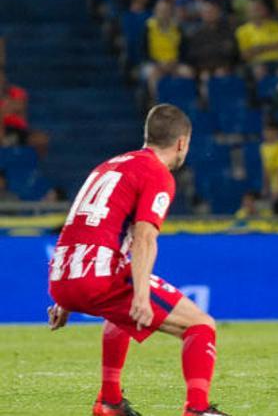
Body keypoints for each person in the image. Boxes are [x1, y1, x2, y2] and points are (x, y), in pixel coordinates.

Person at [46, 104, 231, 416]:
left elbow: (82, 225)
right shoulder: (157, 173)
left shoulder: (108, 166)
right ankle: (197, 410)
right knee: (200, 324)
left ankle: (109, 402)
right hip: (97, 271)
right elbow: (145, 237)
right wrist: (142, 296)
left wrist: (66, 298)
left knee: (120, 315)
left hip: (62, 273)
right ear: (182, 143)